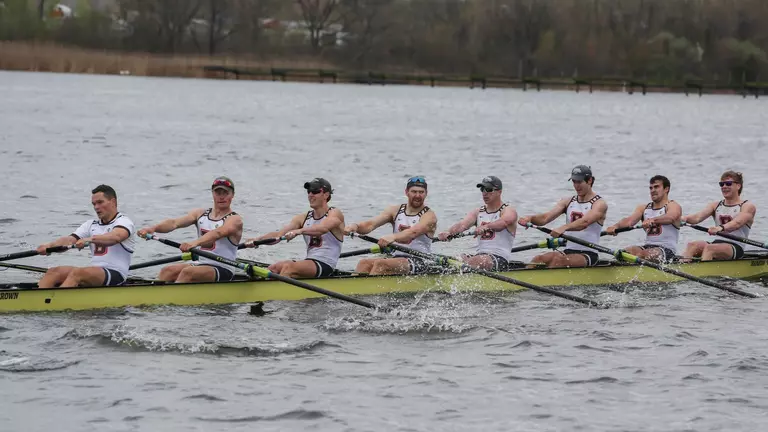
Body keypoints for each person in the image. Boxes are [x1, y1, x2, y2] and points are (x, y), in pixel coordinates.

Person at [137, 176, 244, 283]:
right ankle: (157, 297)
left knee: (188, 273)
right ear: (212, 193)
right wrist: (153, 228)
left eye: (225, 193)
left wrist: (193, 243)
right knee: (167, 271)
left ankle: (172, 298)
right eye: (218, 193)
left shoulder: (234, 219)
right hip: (201, 263)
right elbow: (174, 223)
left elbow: (218, 233)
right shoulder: (200, 214)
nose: (221, 197)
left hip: (224, 267)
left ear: (232, 195)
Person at [36, 185, 136, 288]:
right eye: (94, 204)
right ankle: (38, 300)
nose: (96, 207)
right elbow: (70, 240)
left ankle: (58, 301)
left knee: (78, 273)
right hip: (95, 273)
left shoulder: (124, 222)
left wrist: (90, 239)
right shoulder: (91, 224)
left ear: (113, 202)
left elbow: (116, 237)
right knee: (53, 272)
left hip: (116, 274)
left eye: (100, 202)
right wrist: (49, 246)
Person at [249, 178, 345, 278]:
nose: (310, 195)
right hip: (310, 263)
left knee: (288, 267)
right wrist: (258, 240)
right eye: (309, 191)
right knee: (274, 268)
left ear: (326, 195)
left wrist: (299, 231)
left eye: (315, 191)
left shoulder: (335, 213)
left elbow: (322, 229)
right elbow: (278, 235)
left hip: (326, 265)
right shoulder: (303, 218)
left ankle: (276, 291)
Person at [345, 176, 438, 275]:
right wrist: (355, 227)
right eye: (414, 192)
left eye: (421, 192)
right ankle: (355, 289)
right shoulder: (395, 211)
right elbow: (370, 224)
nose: (418, 195)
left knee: (381, 264)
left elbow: (413, 232)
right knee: (364, 263)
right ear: (407, 192)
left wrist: (393, 237)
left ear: (426, 194)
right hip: (397, 258)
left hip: (420, 260)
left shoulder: (429, 216)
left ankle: (369, 289)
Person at [518, 165, 608, 268]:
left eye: (579, 182)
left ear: (589, 181)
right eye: (574, 181)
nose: (576, 186)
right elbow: (545, 218)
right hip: (568, 251)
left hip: (588, 254)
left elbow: (585, 222)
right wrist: (530, 218)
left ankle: (549, 282)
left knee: (557, 260)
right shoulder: (568, 201)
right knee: (539, 259)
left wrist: (563, 228)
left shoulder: (599, 204)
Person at [437, 176, 518, 270]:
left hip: (500, 259)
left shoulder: (508, 210)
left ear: (499, 192)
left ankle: (463, 276)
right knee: (457, 258)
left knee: (473, 261)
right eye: (482, 189)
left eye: (488, 189)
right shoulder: (478, 212)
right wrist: (449, 232)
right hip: (481, 256)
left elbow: (503, 222)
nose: (485, 193)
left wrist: (486, 226)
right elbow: (462, 225)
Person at [605, 175, 682, 263]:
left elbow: (671, 217)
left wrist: (653, 220)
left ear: (666, 189)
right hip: (647, 247)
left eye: (656, 187)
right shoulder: (643, 208)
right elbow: (629, 221)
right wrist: (616, 226)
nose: (653, 190)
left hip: (667, 250)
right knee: (625, 252)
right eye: (651, 188)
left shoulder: (673, 205)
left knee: (642, 255)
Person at [681, 170, 756, 261]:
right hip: (717, 243)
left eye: (728, 183)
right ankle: (682, 269)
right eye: (722, 184)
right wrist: (684, 218)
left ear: (738, 186)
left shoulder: (747, 206)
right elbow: (697, 217)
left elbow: (737, 223)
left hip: (735, 246)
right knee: (692, 245)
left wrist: (720, 228)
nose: (724, 187)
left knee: (710, 248)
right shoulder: (715, 205)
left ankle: (704, 273)